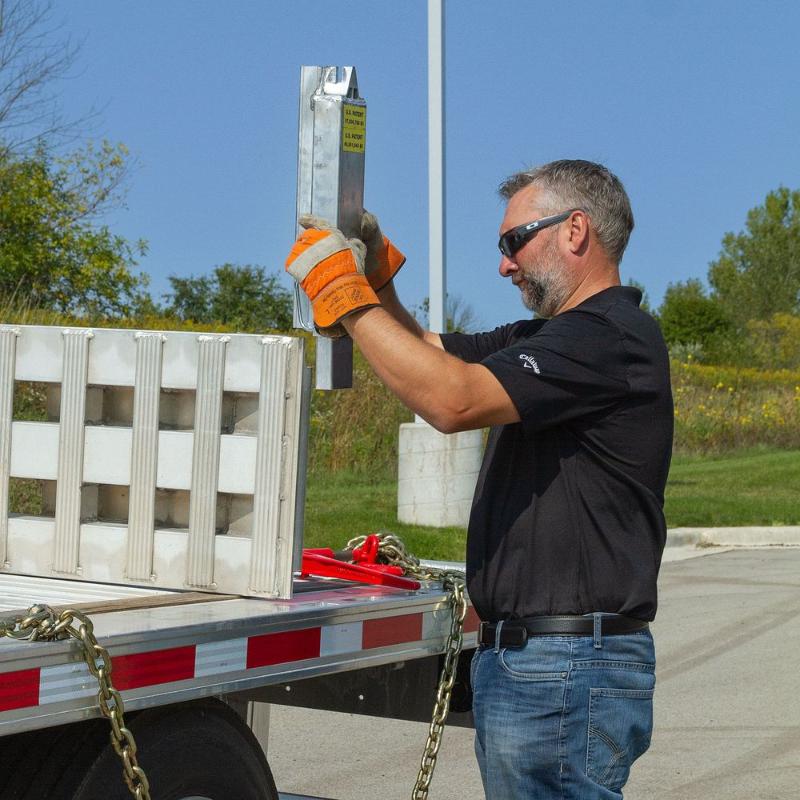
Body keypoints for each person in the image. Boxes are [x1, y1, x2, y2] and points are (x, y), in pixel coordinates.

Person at [286, 159, 674, 800]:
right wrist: (376, 282)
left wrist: (339, 290)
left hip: (565, 665)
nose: (504, 264)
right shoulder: (556, 339)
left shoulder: (607, 338)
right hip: (543, 663)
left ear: (575, 230)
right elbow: (429, 353)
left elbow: (451, 401)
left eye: (512, 241)